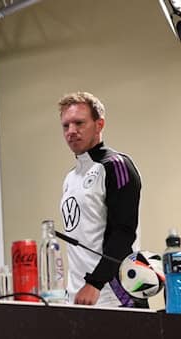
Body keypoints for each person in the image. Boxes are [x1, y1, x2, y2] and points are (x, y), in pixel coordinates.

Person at [57, 92, 142, 308]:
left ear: (99, 124)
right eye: (66, 126)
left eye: (79, 123)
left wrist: (95, 283)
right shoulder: (70, 178)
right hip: (77, 296)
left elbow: (124, 232)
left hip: (112, 294)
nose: (71, 131)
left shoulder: (116, 165)